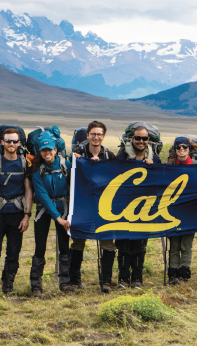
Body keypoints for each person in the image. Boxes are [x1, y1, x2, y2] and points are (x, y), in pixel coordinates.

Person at [71, 121, 117, 293]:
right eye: (93, 134)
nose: (96, 137)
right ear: (88, 135)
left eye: (99, 134)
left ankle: (106, 281)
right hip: (83, 206)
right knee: (78, 241)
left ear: (103, 136)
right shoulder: (77, 154)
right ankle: (75, 280)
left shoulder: (109, 156)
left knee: (108, 243)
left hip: (104, 206)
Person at [0, 128, 33, 295]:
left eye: (15, 141)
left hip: (18, 215)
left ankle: (8, 286)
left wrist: (27, 215)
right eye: (8, 141)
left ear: (19, 143)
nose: (11, 144)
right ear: (2, 142)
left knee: (13, 252)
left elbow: (28, 190)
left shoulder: (24, 163)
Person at [115, 125, 161, 288]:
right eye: (138, 138)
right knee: (123, 243)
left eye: (144, 138)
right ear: (132, 139)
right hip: (124, 206)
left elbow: (160, 182)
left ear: (149, 140)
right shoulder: (122, 158)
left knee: (140, 243)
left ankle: (137, 278)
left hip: (145, 207)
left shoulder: (155, 158)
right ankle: (123, 278)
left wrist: (152, 167)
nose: (141, 141)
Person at [30, 132, 74, 297]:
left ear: (56, 150)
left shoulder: (67, 166)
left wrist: (68, 216)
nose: (47, 153)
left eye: (50, 149)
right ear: (39, 152)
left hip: (64, 208)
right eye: (43, 150)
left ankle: (65, 282)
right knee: (40, 247)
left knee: (64, 246)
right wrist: (58, 218)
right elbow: (42, 196)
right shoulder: (36, 171)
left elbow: (74, 189)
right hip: (45, 209)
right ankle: (36, 286)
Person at [167, 137, 197, 284]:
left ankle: (184, 273)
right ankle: (172, 273)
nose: (181, 150)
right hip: (172, 209)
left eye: (185, 147)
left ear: (189, 149)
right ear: (175, 149)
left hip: (190, 210)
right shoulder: (169, 165)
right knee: (173, 244)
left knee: (186, 244)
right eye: (178, 147)